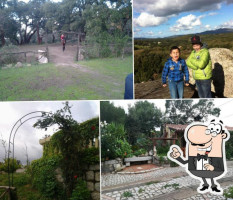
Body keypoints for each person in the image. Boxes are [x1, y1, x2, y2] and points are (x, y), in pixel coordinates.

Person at [168, 119, 230, 195]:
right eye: (194, 144)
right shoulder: (193, 156)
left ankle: (213, 185)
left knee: (210, 174)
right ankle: (205, 184)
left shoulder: (215, 155)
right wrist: (178, 157)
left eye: (201, 144)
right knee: (203, 174)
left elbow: (220, 168)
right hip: (198, 171)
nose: (198, 146)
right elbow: (185, 162)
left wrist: (213, 168)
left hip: (213, 171)